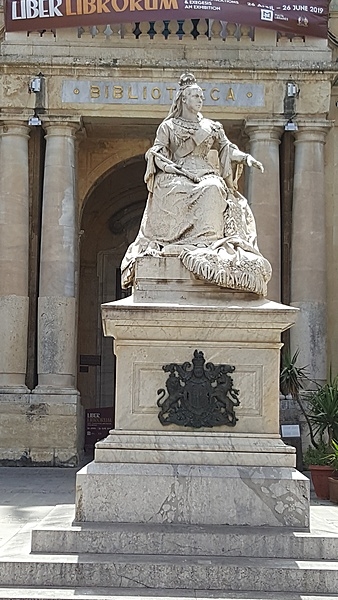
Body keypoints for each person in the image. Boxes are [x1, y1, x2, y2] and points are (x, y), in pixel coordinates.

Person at [121, 73, 272, 296]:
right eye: (194, 96)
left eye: (201, 96)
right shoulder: (168, 127)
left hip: (204, 171)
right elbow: (158, 150)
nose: (199, 99)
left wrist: (244, 157)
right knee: (170, 187)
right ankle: (172, 239)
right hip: (178, 172)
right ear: (183, 99)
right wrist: (157, 158)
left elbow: (226, 148)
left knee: (213, 188)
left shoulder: (212, 126)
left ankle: (206, 243)